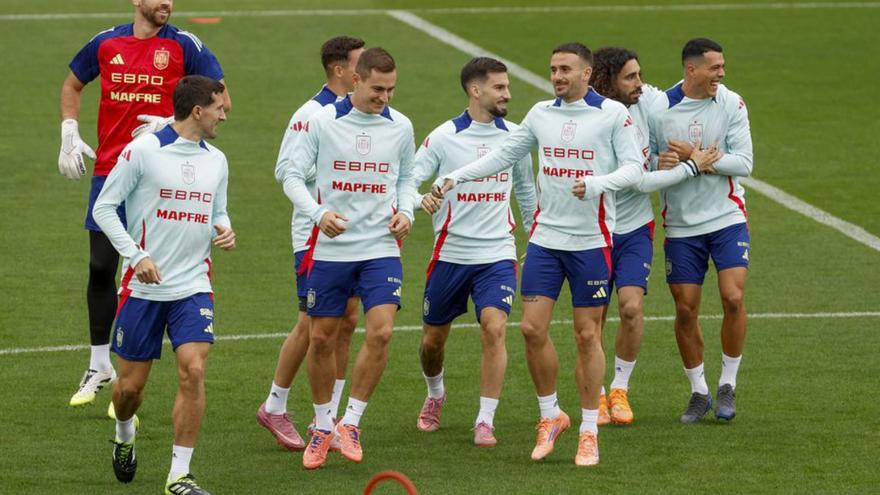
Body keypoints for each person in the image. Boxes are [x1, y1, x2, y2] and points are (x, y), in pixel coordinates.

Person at [434, 43, 645, 467]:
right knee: (531, 330)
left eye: (566, 68)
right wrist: (456, 175)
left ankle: (589, 430)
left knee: (587, 336)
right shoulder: (540, 115)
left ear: (587, 73)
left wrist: (599, 183)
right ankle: (551, 415)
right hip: (547, 241)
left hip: (590, 242)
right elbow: (503, 155)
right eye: (553, 69)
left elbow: (635, 168)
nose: (557, 75)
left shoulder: (612, 115)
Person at [60, 0, 230, 411]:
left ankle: (134, 366)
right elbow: (72, 84)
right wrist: (69, 128)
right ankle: (99, 364)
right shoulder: (106, 42)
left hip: (162, 171)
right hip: (112, 167)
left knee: (145, 265)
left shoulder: (185, 45)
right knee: (101, 264)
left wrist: (168, 124)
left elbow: (221, 98)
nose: (166, 3)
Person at [581, 38, 751, 423]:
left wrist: (693, 158)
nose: (721, 74)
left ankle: (727, 384)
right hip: (673, 225)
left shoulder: (726, 103)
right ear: (692, 69)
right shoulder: (656, 109)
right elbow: (647, 166)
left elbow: (745, 163)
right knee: (684, 310)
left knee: (733, 297)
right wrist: (679, 161)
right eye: (715, 67)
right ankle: (698, 391)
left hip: (725, 217)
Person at [93, 75, 233, 495]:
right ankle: (124, 432)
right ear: (197, 111)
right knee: (130, 389)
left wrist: (224, 228)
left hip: (193, 284)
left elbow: (218, 210)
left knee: (193, 370)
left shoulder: (218, 160)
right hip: (143, 289)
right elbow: (103, 208)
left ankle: (179, 475)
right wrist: (136, 257)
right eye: (219, 108)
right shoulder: (143, 152)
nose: (225, 114)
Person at [279, 47, 417, 469]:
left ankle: (351, 422)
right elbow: (288, 174)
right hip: (332, 249)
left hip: (380, 248)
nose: (385, 98)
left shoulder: (401, 126)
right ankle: (323, 426)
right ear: (355, 79)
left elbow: (408, 176)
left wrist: (407, 210)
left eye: (391, 89)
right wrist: (318, 214)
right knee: (321, 338)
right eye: (378, 88)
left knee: (381, 333)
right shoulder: (322, 122)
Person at [409, 57, 537, 447]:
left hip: (497, 254)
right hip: (450, 255)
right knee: (432, 342)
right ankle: (435, 395)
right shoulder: (443, 137)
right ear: (475, 90)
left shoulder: (516, 137)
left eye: (508, 86)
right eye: (499, 87)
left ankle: (485, 419)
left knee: (494, 328)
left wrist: (535, 240)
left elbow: (527, 193)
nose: (508, 94)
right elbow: (407, 182)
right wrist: (419, 201)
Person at [257, 35, 365, 453]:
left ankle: (330, 417)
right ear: (340, 70)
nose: (367, 70)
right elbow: (286, 170)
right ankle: (275, 405)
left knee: (348, 320)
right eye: (360, 64)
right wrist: (321, 211)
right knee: (313, 322)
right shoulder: (311, 114)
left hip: (357, 236)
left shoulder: (360, 113)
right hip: (316, 237)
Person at [587, 46, 667, 425]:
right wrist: (686, 170)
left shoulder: (645, 104)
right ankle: (597, 393)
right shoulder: (593, 119)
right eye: (631, 77)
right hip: (595, 230)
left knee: (632, 308)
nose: (640, 83)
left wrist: (671, 155)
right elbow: (633, 180)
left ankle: (620, 388)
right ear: (608, 82)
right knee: (595, 318)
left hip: (635, 228)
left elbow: (678, 98)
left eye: (640, 74)